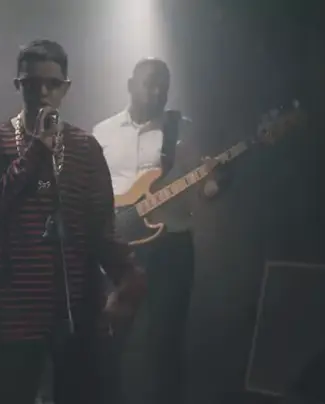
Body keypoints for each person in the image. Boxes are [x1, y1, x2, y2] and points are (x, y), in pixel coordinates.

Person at [0, 39, 146, 404]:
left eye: (52, 84)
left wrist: (126, 276)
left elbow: (101, 229)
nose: (43, 93)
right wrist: (35, 151)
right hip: (9, 314)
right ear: (18, 85)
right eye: (32, 84)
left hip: (73, 313)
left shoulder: (85, 148)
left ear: (66, 88)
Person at [92, 58, 230, 404]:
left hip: (171, 246)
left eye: (164, 87)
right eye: (150, 84)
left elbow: (207, 187)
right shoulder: (102, 132)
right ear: (130, 85)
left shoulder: (182, 130)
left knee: (166, 344)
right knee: (108, 339)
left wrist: (217, 182)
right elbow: (91, 190)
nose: (157, 92)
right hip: (120, 246)